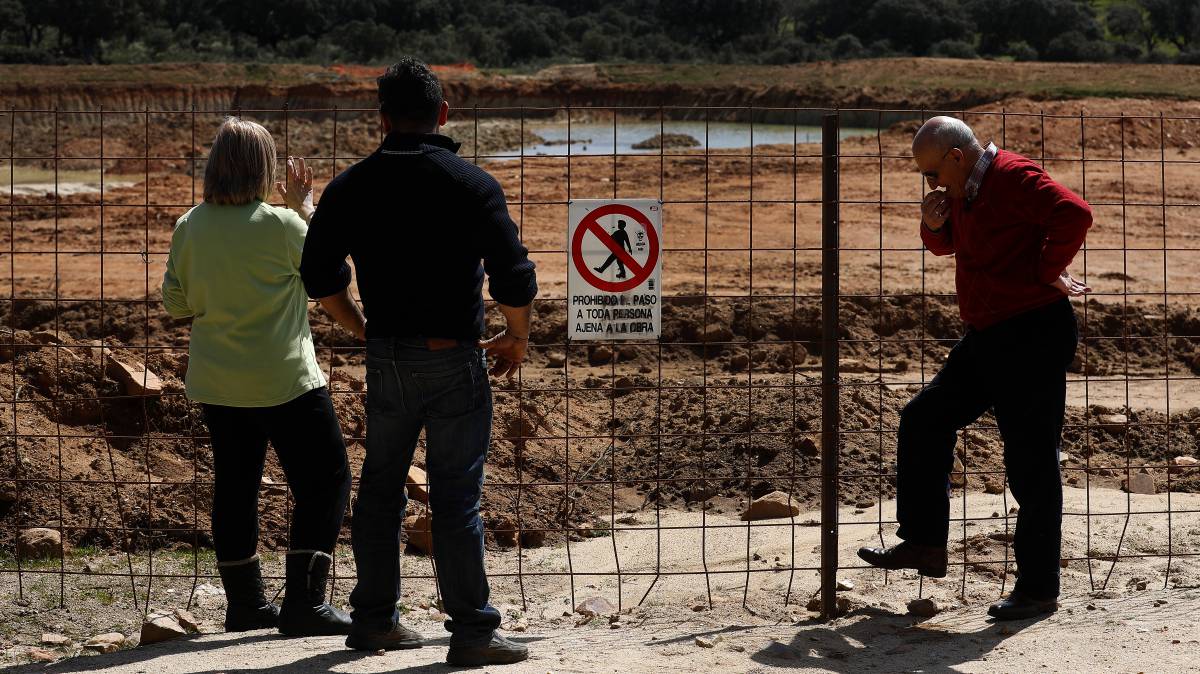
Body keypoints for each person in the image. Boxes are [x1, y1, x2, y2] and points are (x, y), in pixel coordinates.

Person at [300, 57, 537, 666]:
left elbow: (320, 276)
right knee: (457, 495)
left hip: (388, 359)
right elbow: (514, 276)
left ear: (381, 119)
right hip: (454, 358)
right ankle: (473, 634)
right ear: (443, 114)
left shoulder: (350, 187)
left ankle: (376, 620)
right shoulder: (471, 183)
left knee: (380, 489)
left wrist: (363, 327)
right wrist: (515, 337)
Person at [857, 116, 1092, 620]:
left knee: (1030, 464)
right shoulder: (965, 188)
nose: (933, 184)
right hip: (989, 335)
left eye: (933, 174)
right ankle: (925, 543)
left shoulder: (1013, 177)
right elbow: (950, 246)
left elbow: (1074, 214)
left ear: (957, 157)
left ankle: (1037, 591)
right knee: (923, 418)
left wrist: (1048, 271)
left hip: (1032, 333)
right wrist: (933, 224)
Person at [161, 118, 364, 636]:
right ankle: (306, 604)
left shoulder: (188, 226)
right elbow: (331, 276)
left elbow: (176, 304)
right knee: (326, 481)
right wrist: (304, 208)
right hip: (287, 379)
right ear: (264, 167)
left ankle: (246, 605)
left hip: (219, 383)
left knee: (235, 486)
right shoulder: (283, 226)